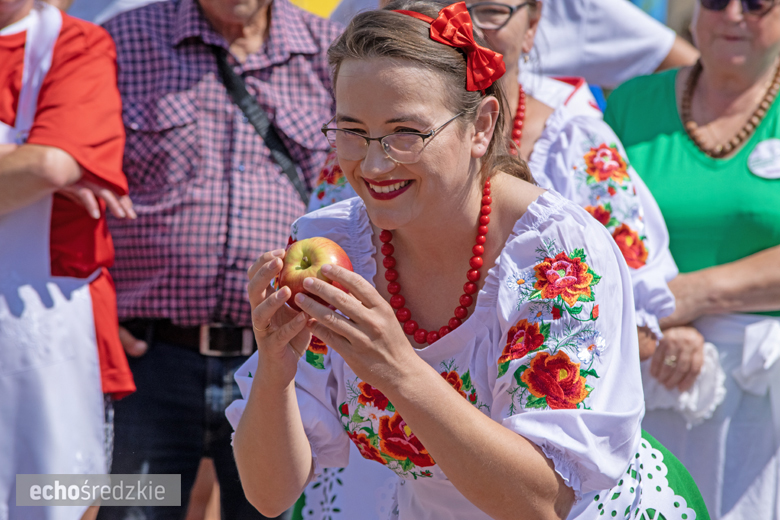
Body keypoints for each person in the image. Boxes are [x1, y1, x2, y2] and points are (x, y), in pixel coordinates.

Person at [227, 2, 709, 518]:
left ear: (481, 125)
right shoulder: (333, 240)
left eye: (405, 133)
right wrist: (275, 369)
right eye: (351, 130)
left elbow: (543, 502)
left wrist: (399, 370)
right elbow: (269, 494)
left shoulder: (554, 255)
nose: (372, 162)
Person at [98, 0, 342, 519]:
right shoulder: (123, 40)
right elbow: (78, 185)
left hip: (283, 360)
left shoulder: (330, 52)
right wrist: (94, 311)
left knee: (271, 509)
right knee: (129, 512)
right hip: (148, 363)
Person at [605, 1, 780, 518]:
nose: (732, 15)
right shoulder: (632, 103)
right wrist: (653, 325)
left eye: (754, 3)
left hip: (763, 395)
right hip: (646, 367)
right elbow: (591, 232)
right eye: (715, 0)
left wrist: (689, 297)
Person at [0, 0, 133, 519]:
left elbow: (52, 166)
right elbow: (49, 162)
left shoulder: (73, 45)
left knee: (57, 499)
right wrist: (26, 157)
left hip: (45, 343)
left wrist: (46, 162)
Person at [331, 0, 699, 88]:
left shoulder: (577, 8)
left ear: (533, 22)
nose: (466, 26)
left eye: (492, 10)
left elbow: (690, 68)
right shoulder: (363, 7)